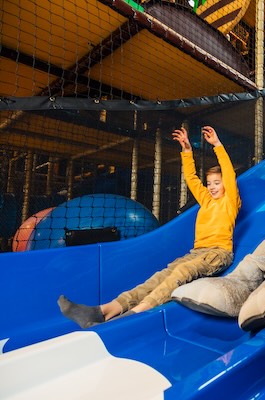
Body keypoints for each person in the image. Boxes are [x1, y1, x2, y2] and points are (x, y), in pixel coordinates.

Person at [58, 126, 241, 328]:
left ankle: (135, 314)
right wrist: (187, 151)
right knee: (160, 277)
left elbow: (229, 174)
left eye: (217, 182)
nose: (212, 187)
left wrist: (217, 145)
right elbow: (191, 178)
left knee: (182, 273)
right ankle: (105, 310)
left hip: (217, 253)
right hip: (195, 252)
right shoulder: (206, 201)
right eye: (209, 183)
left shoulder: (230, 201)